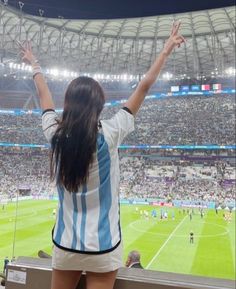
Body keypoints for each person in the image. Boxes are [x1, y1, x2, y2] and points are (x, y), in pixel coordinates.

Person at [18, 21, 185, 289]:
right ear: (99, 105)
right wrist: (165, 51)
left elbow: (44, 95)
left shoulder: (55, 135)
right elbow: (143, 87)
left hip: (65, 243)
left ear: (68, 104)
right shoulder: (111, 132)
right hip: (104, 247)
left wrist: (34, 64)